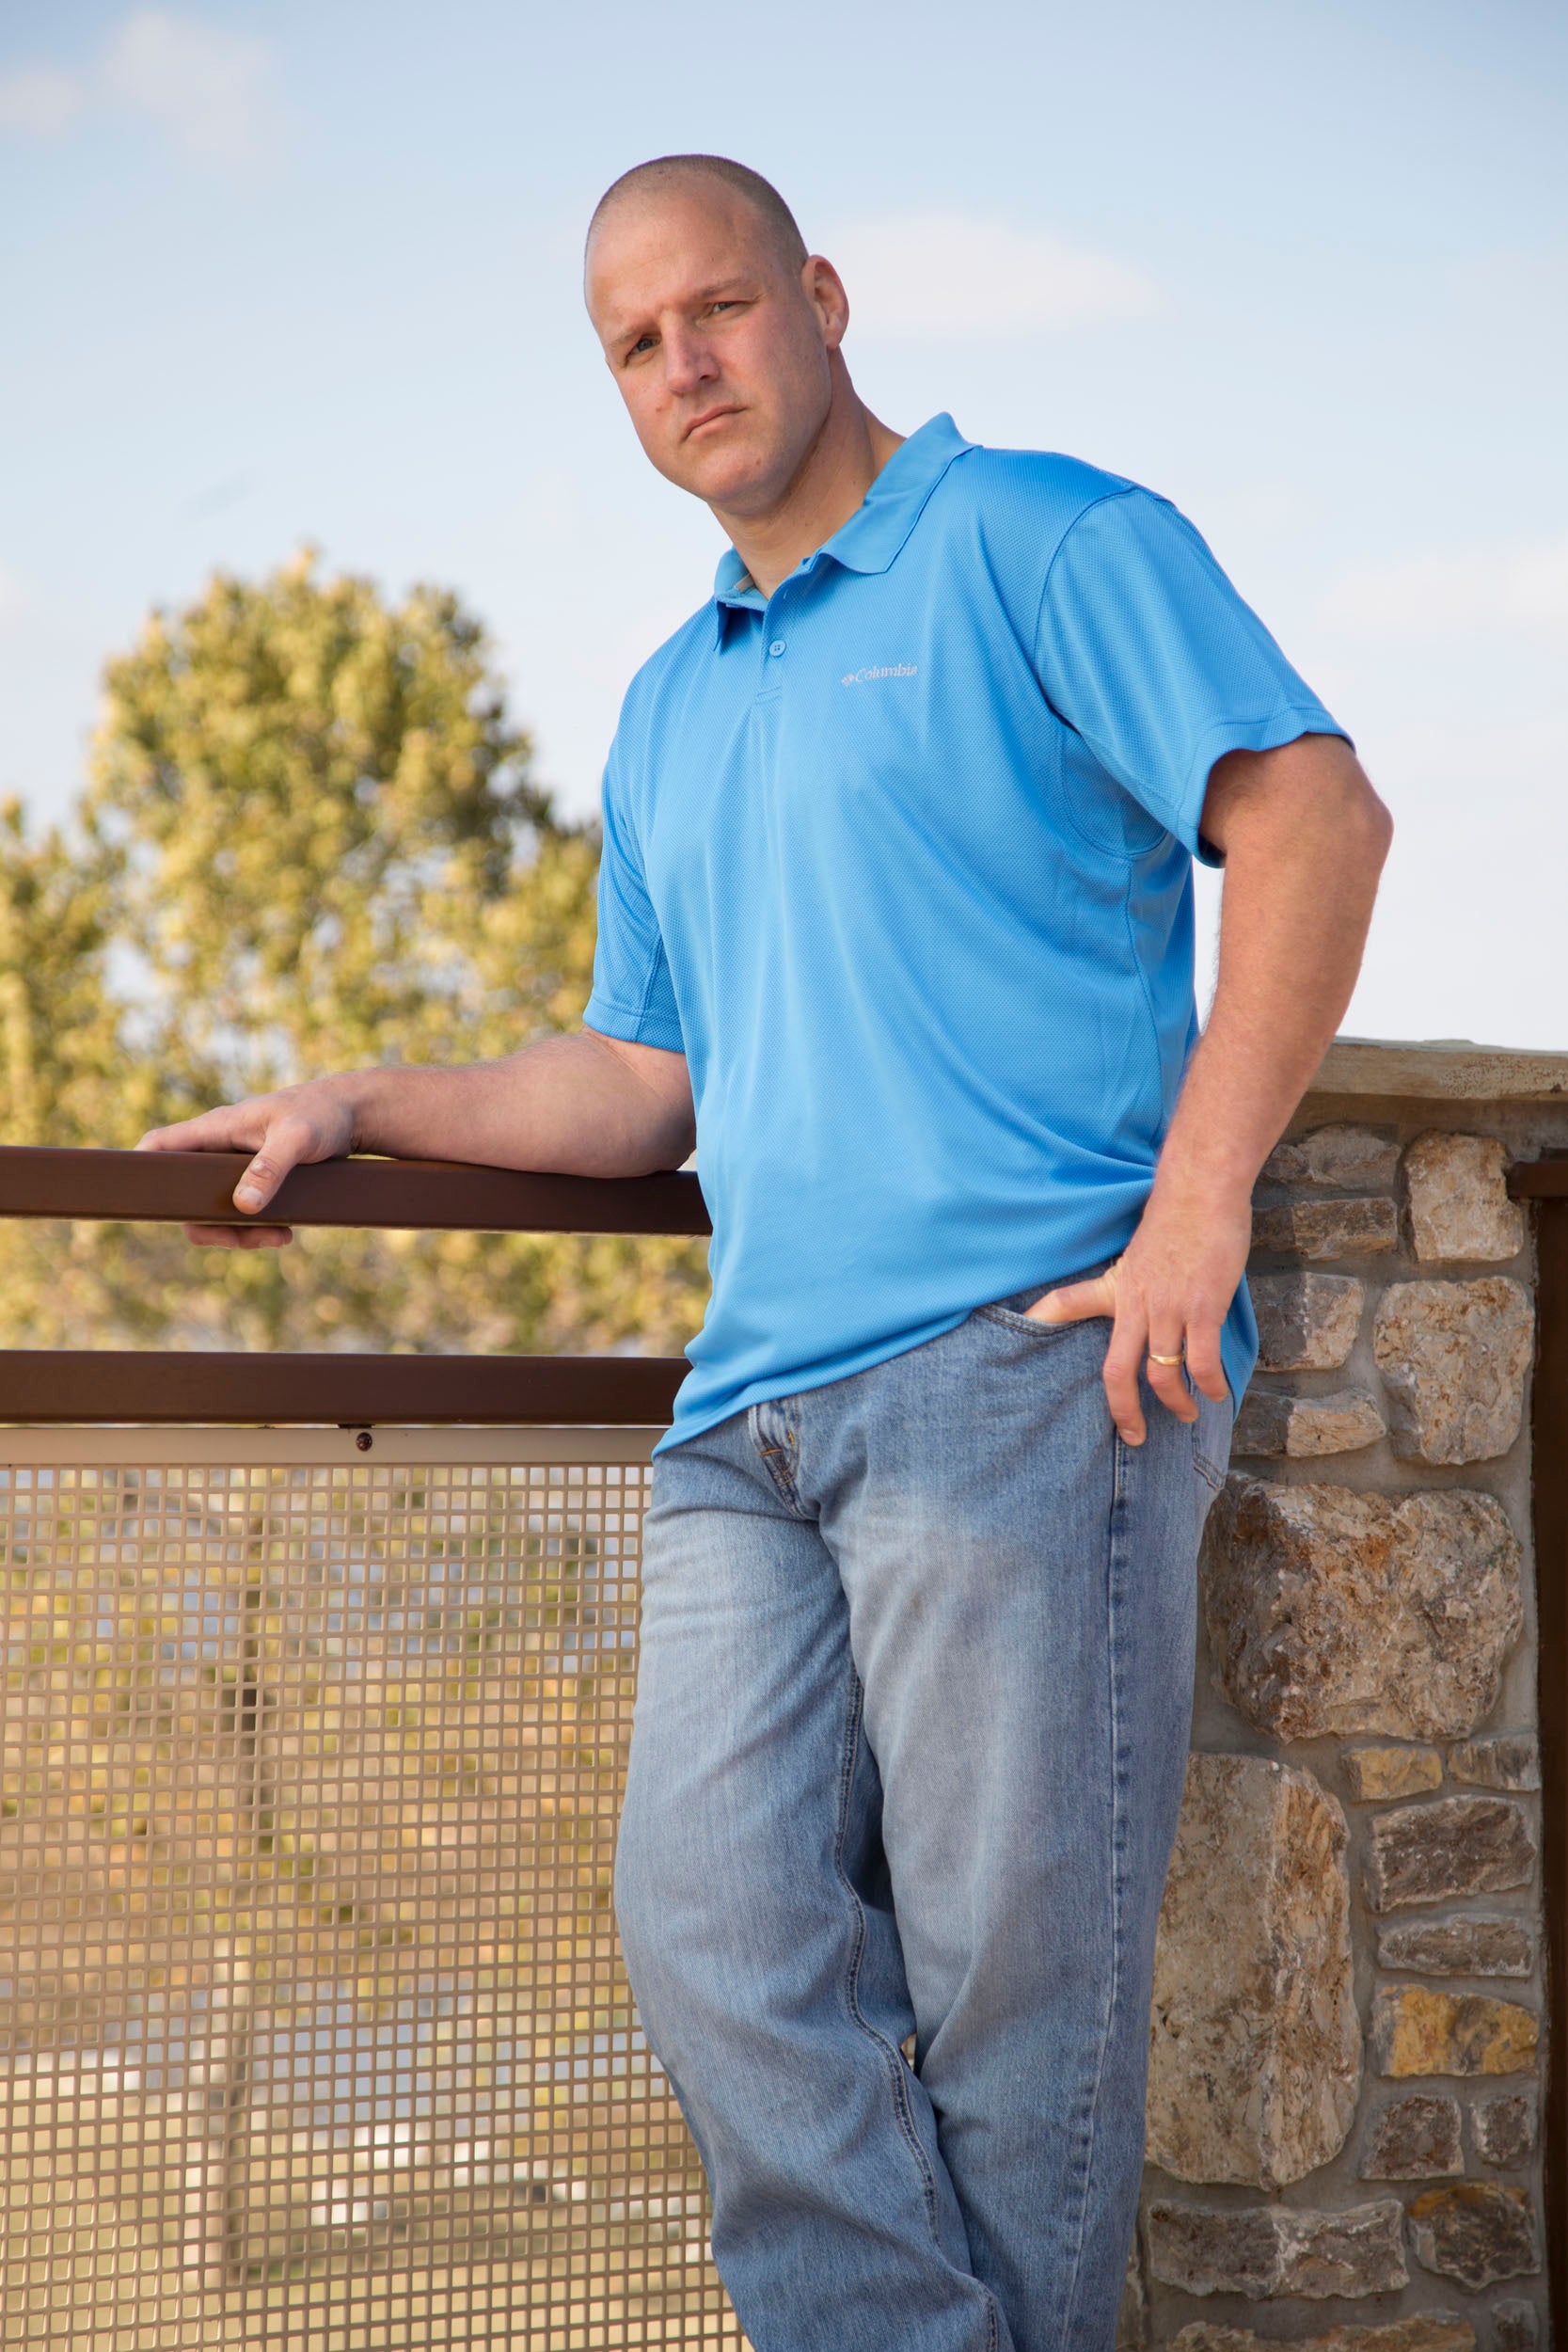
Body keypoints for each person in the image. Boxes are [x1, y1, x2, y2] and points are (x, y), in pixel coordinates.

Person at [140, 154, 1392, 2351]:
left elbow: (1314, 814)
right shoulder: (668, 705)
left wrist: (1199, 1210)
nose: (683, 364)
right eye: (634, 343)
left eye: (715, 306)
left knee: (1015, 2033)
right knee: (708, 1935)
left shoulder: (1041, 540)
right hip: (754, 1422)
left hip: (1025, 1379)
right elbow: (645, 1076)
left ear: (818, 295)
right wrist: (361, 1098)